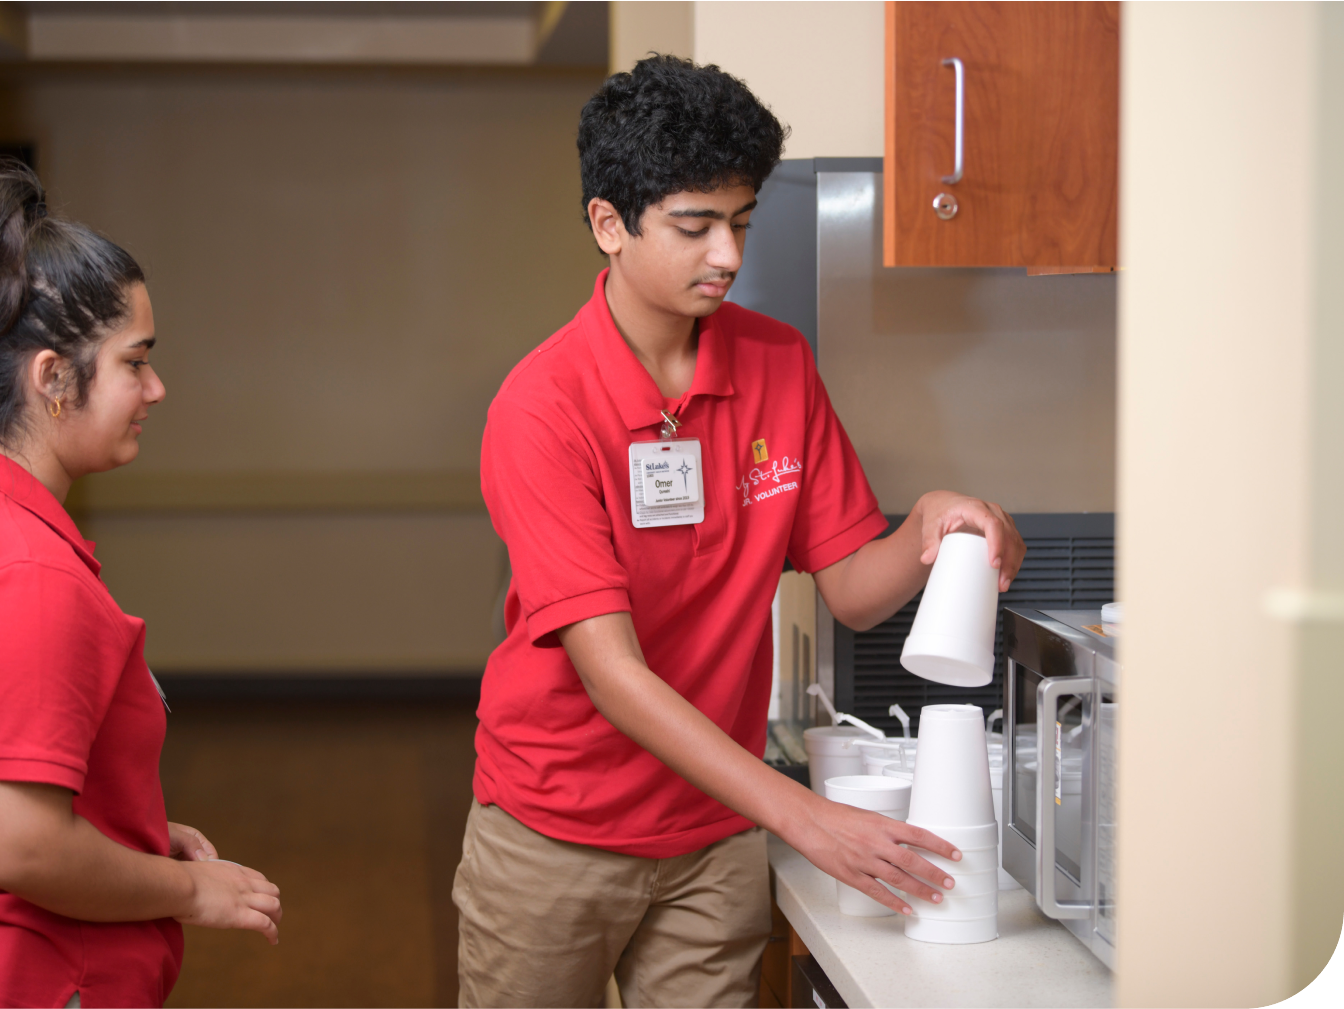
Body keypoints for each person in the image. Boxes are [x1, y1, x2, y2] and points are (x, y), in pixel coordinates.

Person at [453, 56, 1026, 1008]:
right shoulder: (541, 407)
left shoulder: (777, 364)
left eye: (743, 222)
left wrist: (927, 529)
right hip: (556, 831)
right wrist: (807, 818)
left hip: (715, 833)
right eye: (695, 225)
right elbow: (613, 672)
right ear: (609, 224)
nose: (728, 253)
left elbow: (847, 579)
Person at [0, 162, 282, 1009]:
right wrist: (195, 892)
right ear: (53, 378)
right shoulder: (35, 572)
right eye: (135, 362)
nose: (156, 389)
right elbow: (25, 845)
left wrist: (132, 834)